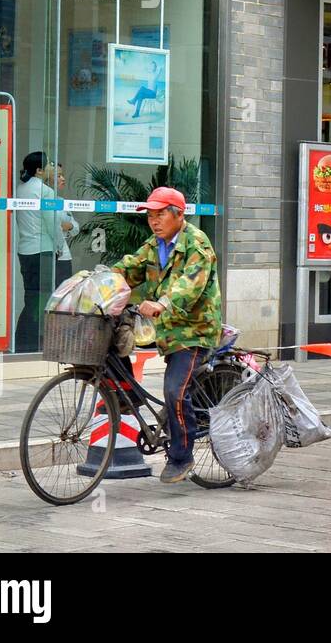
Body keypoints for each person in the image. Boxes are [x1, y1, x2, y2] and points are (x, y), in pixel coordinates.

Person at [111, 187, 221, 483]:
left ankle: (181, 457)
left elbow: (188, 285)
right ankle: (127, 397)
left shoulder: (197, 244)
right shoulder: (154, 244)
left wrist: (162, 303)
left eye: (160, 214)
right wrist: (101, 281)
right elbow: (130, 267)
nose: (154, 221)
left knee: (174, 390)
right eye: (150, 215)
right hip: (165, 330)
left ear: (179, 214)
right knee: (110, 350)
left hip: (194, 331)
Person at [12, 151, 61, 353]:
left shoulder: (20, 188)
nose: (52, 166)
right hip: (43, 249)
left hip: (25, 249)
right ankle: (29, 342)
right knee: (42, 298)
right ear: (39, 170)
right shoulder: (44, 191)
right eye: (49, 164)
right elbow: (53, 223)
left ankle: (23, 339)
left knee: (31, 296)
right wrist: (59, 245)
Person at [53, 164, 79, 283]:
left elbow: (75, 228)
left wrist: (70, 226)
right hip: (47, 254)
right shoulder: (40, 202)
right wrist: (61, 226)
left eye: (62, 175)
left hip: (63, 256)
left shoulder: (61, 201)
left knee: (62, 294)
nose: (63, 179)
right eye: (59, 176)